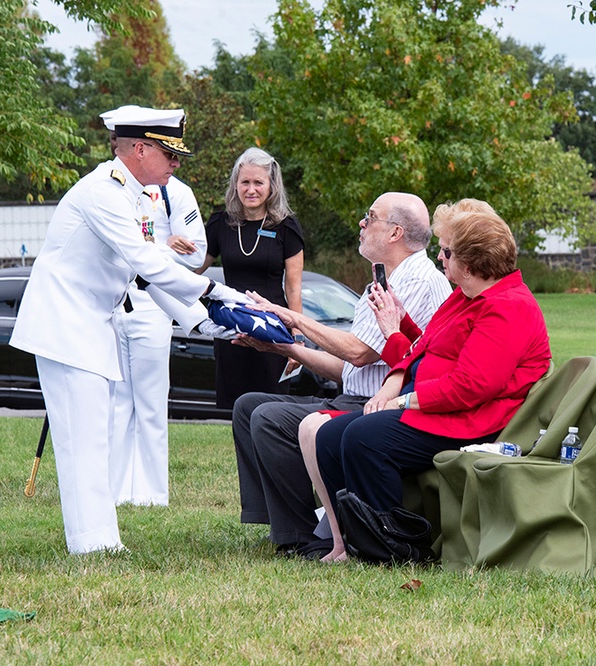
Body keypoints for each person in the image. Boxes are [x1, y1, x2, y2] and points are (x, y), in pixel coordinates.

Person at [9, 106, 249, 554]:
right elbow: (150, 264)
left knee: (94, 434)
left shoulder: (136, 195)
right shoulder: (104, 192)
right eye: (170, 154)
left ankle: (100, 540)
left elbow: (143, 278)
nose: (176, 165)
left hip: (88, 323)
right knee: (83, 438)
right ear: (140, 149)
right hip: (66, 324)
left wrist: (203, 320)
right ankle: (92, 544)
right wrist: (219, 294)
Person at [300, 205, 551, 563]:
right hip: (443, 407)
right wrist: (400, 325)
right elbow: (426, 350)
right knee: (330, 436)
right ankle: (356, 541)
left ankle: (394, 546)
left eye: (446, 251)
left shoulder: (507, 307)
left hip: (472, 419)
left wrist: (402, 402)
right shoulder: (465, 296)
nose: (439, 256)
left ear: (470, 261)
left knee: (364, 438)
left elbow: (471, 386)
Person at [230, 192, 452, 556]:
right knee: (249, 405)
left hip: (380, 406)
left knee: (270, 417)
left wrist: (292, 316)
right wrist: (284, 348)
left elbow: (359, 352)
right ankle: (285, 524)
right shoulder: (381, 280)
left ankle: (302, 537)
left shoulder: (417, 280)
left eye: (370, 217)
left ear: (395, 233)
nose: (362, 224)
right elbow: (349, 369)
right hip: (354, 395)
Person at [100, 107, 208, 507]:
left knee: (149, 402)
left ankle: (150, 494)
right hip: (113, 306)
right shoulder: (111, 189)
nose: (174, 162)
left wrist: (154, 253)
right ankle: (113, 491)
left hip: (151, 304)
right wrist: (161, 246)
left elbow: (196, 254)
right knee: (116, 402)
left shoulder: (174, 191)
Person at [199, 148, 304, 409]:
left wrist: (298, 338)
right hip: (231, 326)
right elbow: (192, 272)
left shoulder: (286, 227)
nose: (251, 189)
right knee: (234, 406)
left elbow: (294, 289)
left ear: (272, 186)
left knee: (271, 406)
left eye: (259, 182)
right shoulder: (219, 224)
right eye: (245, 182)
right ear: (236, 185)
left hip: (272, 327)